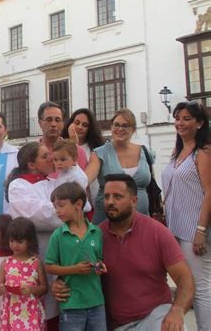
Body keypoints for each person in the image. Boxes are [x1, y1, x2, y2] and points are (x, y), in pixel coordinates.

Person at [52, 174, 195, 330]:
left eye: (117, 196)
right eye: (106, 197)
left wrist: (178, 310)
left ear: (134, 201)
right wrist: (59, 283)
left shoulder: (157, 232)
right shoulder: (94, 236)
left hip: (155, 316)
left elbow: (184, 278)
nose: (110, 202)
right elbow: (76, 268)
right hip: (117, 324)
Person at [162, 101, 211, 330]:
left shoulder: (203, 152)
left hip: (194, 229)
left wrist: (201, 230)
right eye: (178, 118)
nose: (180, 123)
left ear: (200, 123)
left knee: (201, 287)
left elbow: (210, 192)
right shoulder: (178, 152)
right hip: (175, 227)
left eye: (187, 118)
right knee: (187, 283)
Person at [6, 142, 61, 328]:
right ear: (31, 164)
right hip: (34, 254)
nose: (51, 159)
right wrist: (63, 211)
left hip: (58, 251)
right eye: (45, 156)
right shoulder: (18, 186)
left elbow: (81, 204)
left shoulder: (54, 183)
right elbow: (38, 215)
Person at [45, 182, 107, 331]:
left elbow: (100, 259)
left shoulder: (96, 232)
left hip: (96, 302)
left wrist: (100, 267)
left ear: (78, 204)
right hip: (71, 304)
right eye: (55, 207)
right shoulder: (58, 235)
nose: (57, 211)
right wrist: (74, 269)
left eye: (61, 205)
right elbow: (49, 266)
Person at [85, 108, 152, 224]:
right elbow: (85, 179)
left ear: (133, 129)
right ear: (111, 127)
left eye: (125, 125)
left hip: (140, 221)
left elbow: (152, 183)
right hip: (107, 219)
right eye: (116, 125)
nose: (120, 129)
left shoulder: (144, 152)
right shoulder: (99, 154)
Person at [0, 217, 47, 331]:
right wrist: (0, 289)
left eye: (20, 242)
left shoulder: (36, 263)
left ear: (30, 241)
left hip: (31, 312)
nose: (15, 245)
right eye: (11, 241)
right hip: (11, 312)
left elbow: (44, 288)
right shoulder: (6, 263)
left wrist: (32, 290)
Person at [61, 108, 104, 205]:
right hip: (68, 198)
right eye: (77, 123)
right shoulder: (61, 146)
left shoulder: (96, 149)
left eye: (85, 125)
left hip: (93, 198)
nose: (80, 127)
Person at [37, 102, 88, 174]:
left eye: (57, 120)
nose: (53, 124)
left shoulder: (77, 151)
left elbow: (83, 182)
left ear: (63, 123)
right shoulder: (31, 153)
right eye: (49, 120)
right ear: (40, 123)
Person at [52, 139, 91, 213]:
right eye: (55, 160)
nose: (58, 163)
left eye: (63, 160)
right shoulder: (65, 171)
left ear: (74, 159)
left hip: (77, 211)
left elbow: (78, 195)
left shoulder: (77, 176)